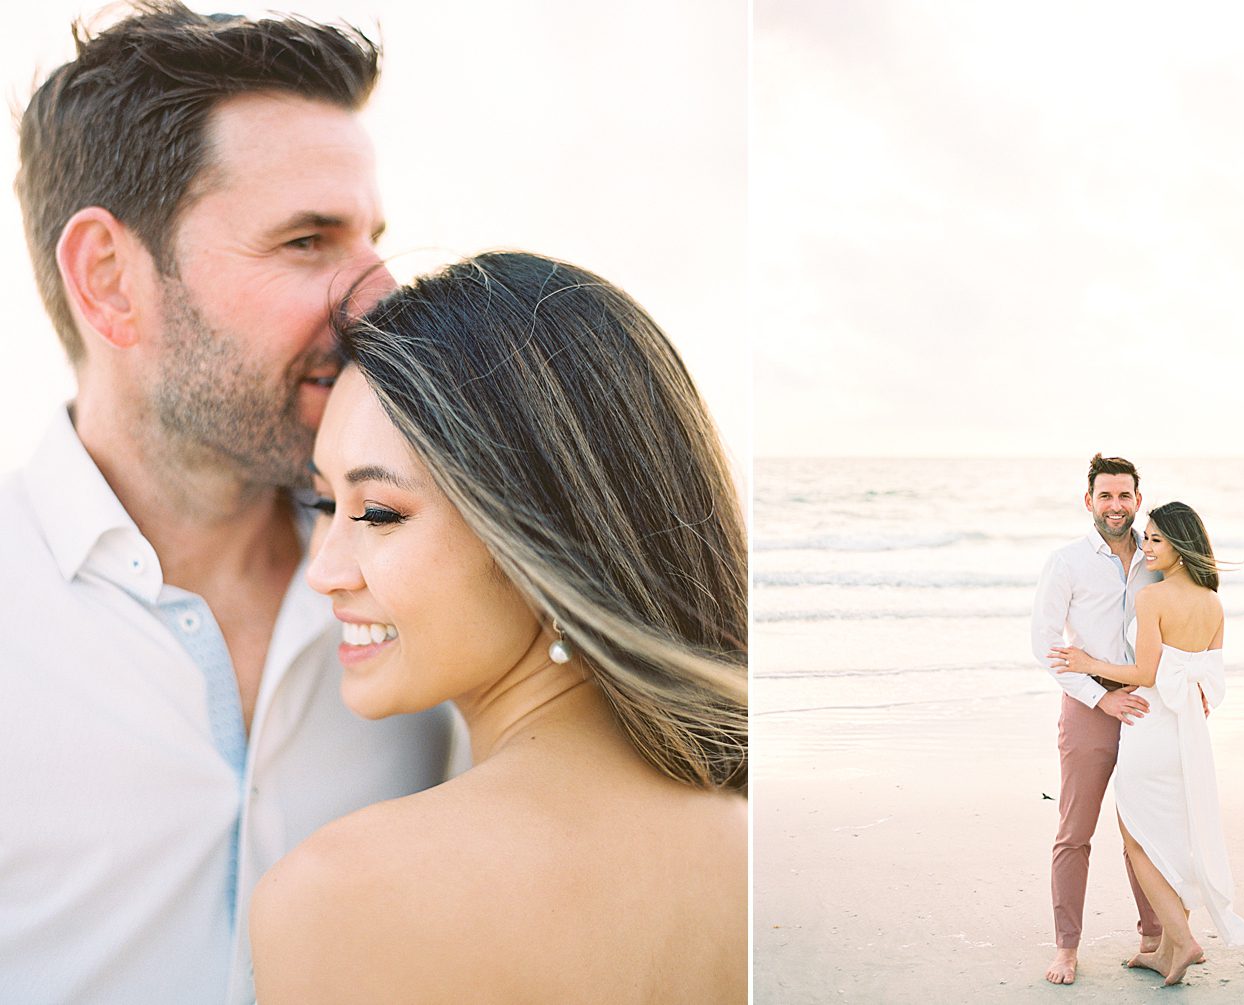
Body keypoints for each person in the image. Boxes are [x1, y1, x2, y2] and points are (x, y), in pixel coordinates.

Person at [0, 6, 456, 1002]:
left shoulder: (441, 577)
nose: (381, 296)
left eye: (372, 239)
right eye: (307, 241)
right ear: (111, 281)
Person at [248, 252, 749, 1002]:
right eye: (324, 504)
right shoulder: (756, 845)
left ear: (549, 534)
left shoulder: (343, 898)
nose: (324, 570)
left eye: (378, 513)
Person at [1051, 501, 1244, 985]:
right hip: (1186, 733)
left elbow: (1145, 673)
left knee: (1138, 836)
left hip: (1147, 725)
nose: (1146, 547)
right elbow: (1211, 680)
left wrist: (1088, 664)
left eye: (1156, 540)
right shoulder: (1213, 602)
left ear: (1180, 546)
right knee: (1172, 837)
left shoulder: (1152, 599)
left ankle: (1182, 939)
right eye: (1145, 538)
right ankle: (1166, 947)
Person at [1030, 453, 1164, 985]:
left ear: (1138, 499)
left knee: (1146, 830)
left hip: (1148, 707)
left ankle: (1154, 937)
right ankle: (1066, 948)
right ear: (1088, 501)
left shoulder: (1157, 558)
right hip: (1088, 706)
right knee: (1075, 832)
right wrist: (1098, 697)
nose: (1116, 505)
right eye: (1105, 495)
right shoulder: (1066, 562)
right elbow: (1045, 646)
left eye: (1124, 495)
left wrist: (1192, 686)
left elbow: (1181, 627)